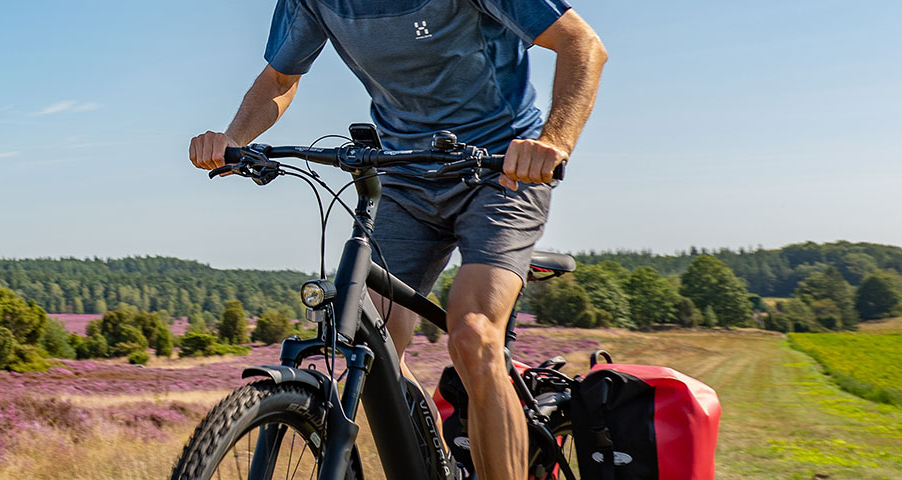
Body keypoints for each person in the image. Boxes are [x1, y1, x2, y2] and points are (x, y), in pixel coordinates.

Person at [187, 0, 605, 478]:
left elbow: (582, 43)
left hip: (501, 169)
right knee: (372, 343)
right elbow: (280, 79)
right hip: (404, 175)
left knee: (472, 333)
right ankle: (435, 465)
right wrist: (234, 140)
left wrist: (554, 141)